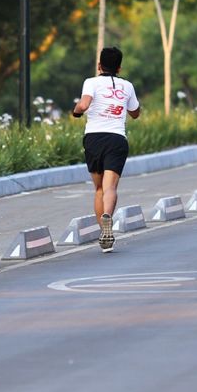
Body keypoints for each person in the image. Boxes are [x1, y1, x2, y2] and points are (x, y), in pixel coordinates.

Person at [71, 46, 141, 252]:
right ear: (119, 68)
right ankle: (108, 218)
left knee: (99, 189)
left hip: (94, 139)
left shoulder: (91, 82)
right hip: (117, 139)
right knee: (110, 188)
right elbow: (135, 113)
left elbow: (84, 105)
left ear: (99, 65)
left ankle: (103, 232)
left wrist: (76, 112)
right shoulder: (127, 86)